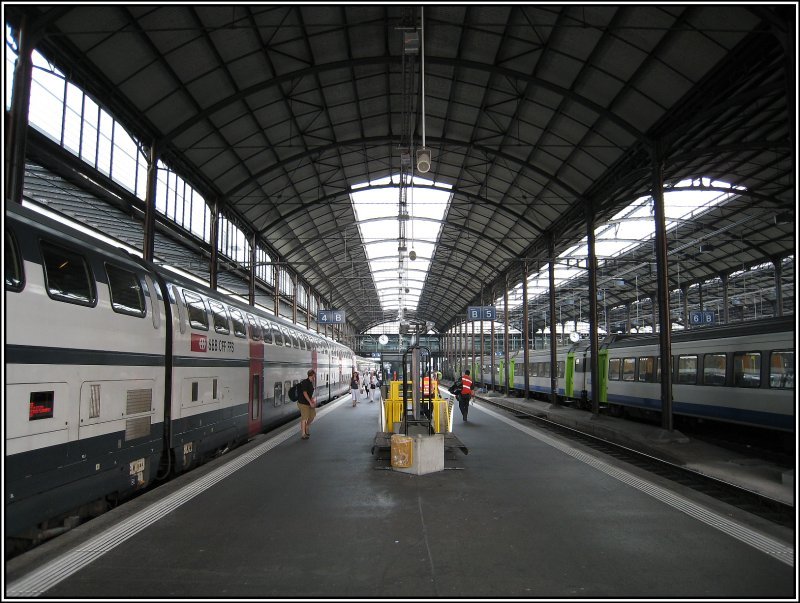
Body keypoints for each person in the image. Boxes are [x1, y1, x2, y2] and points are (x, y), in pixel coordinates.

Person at [297, 369, 317, 439]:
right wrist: (310, 402)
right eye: (314, 375)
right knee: (304, 418)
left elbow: (310, 394)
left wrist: (312, 401)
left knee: (312, 415)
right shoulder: (305, 382)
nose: (315, 377)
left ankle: (307, 426)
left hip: (308, 402)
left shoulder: (311, 383)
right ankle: (303, 434)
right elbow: (305, 393)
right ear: (312, 375)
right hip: (302, 403)